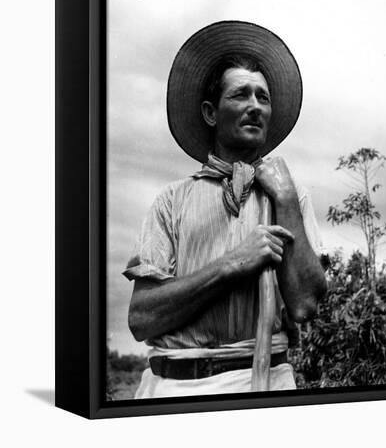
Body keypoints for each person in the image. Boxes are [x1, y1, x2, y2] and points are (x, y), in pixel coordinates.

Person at [123, 21, 327, 398]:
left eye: (263, 97)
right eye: (241, 95)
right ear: (211, 112)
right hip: (173, 388)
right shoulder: (172, 200)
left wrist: (283, 198)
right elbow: (142, 319)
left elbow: (304, 306)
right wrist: (233, 264)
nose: (254, 106)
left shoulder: (289, 197)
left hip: (263, 383)